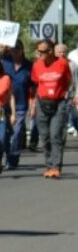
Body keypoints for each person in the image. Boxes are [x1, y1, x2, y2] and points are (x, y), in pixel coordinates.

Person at [29, 39, 72, 178]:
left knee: (55, 135)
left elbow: (68, 81)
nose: (39, 54)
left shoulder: (62, 63)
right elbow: (34, 85)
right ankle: (48, 166)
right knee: (45, 137)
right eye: (38, 51)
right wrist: (32, 104)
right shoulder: (36, 65)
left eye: (41, 51)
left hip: (59, 103)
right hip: (42, 103)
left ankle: (56, 166)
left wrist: (64, 94)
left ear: (50, 52)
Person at [0, 40, 33, 169]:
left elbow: (33, 87)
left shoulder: (29, 65)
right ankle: (5, 155)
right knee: (4, 134)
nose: (15, 51)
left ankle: (13, 159)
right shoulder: (4, 62)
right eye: (13, 48)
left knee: (17, 132)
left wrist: (32, 104)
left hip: (20, 105)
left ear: (22, 49)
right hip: (3, 104)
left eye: (18, 48)